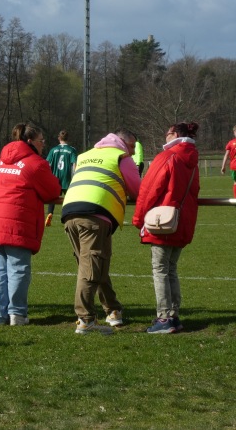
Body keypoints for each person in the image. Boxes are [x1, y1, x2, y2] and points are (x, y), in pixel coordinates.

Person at [0, 123, 61, 326]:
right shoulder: (36, 164)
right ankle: (17, 314)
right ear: (31, 142)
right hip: (18, 222)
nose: (44, 146)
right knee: (18, 269)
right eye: (42, 141)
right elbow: (52, 191)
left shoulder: (0, 162)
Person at [61, 129, 141, 334]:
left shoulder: (85, 155)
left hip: (70, 211)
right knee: (91, 268)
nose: (132, 151)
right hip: (95, 214)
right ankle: (86, 319)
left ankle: (113, 309)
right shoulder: (121, 157)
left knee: (97, 264)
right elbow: (138, 190)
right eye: (132, 146)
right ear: (123, 143)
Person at [132, 122, 199, 334]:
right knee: (171, 269)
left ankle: (164, 317)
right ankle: (174, 315)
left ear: (175, 134)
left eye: (167, 133)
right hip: (182, 221)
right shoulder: (192, 160)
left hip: (163, 222)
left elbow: (149, 189)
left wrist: (138, 218)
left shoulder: (168, 157)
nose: (165, 137)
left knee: (160, 269)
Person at [45, 130, 77, 227]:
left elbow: (47, 164)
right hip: (67, 178)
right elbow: (74, 164)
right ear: (68, 139)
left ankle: (50, 214)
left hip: (55, 178)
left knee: (53, 198)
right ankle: (69, 217)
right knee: (70, 199)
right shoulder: (72, 150)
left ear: (59, 138)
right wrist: (75, 176)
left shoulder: (53, 150)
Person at [220, 125, 236, 197]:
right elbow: (226, 155)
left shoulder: (231, 142)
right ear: (234, 132)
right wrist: (223, 166)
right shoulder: (230, 143)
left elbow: (226, 155)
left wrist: (223, 167)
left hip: (234, 166)